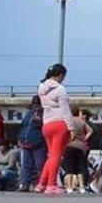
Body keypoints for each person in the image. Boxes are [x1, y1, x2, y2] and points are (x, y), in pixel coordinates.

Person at [37, 63, 75, 194]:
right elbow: (65, 110)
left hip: (47, 124)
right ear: (60, 75)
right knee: (57, 156)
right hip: (60, 124)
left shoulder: (41, 88)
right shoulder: (60, 89)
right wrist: (71, 128)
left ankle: (42, 183)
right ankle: (51, 185)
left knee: (52, 155)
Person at [17, 95, 47, 192]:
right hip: (28, 142)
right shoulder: (29, 114)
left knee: (38, 165)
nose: (36, 107)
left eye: (37, 105)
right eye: (34, 105)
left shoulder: (43, 114)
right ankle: (26, 184)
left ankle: (39, 184)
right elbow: (23, 126)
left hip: (37, 142)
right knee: (28, 165)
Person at [63, 107, 93, 194]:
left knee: (69, 168)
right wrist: (84, 138)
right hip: (80, 146)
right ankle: (82, 187)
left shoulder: (68, 121)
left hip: (70, 145)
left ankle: (69, 187)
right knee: (79, 168)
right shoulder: (81, 122)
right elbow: (91, 130)